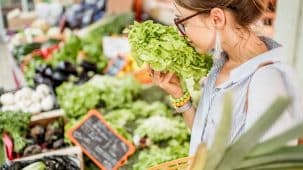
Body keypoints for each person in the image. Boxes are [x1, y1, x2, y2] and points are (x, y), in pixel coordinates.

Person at [148, 0, 303, 155]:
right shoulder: (222, 61)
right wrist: (179, 95)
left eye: (183, 23)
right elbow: (206, 139)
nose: (181, 34)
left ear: (217, 18)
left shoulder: (268, 83)